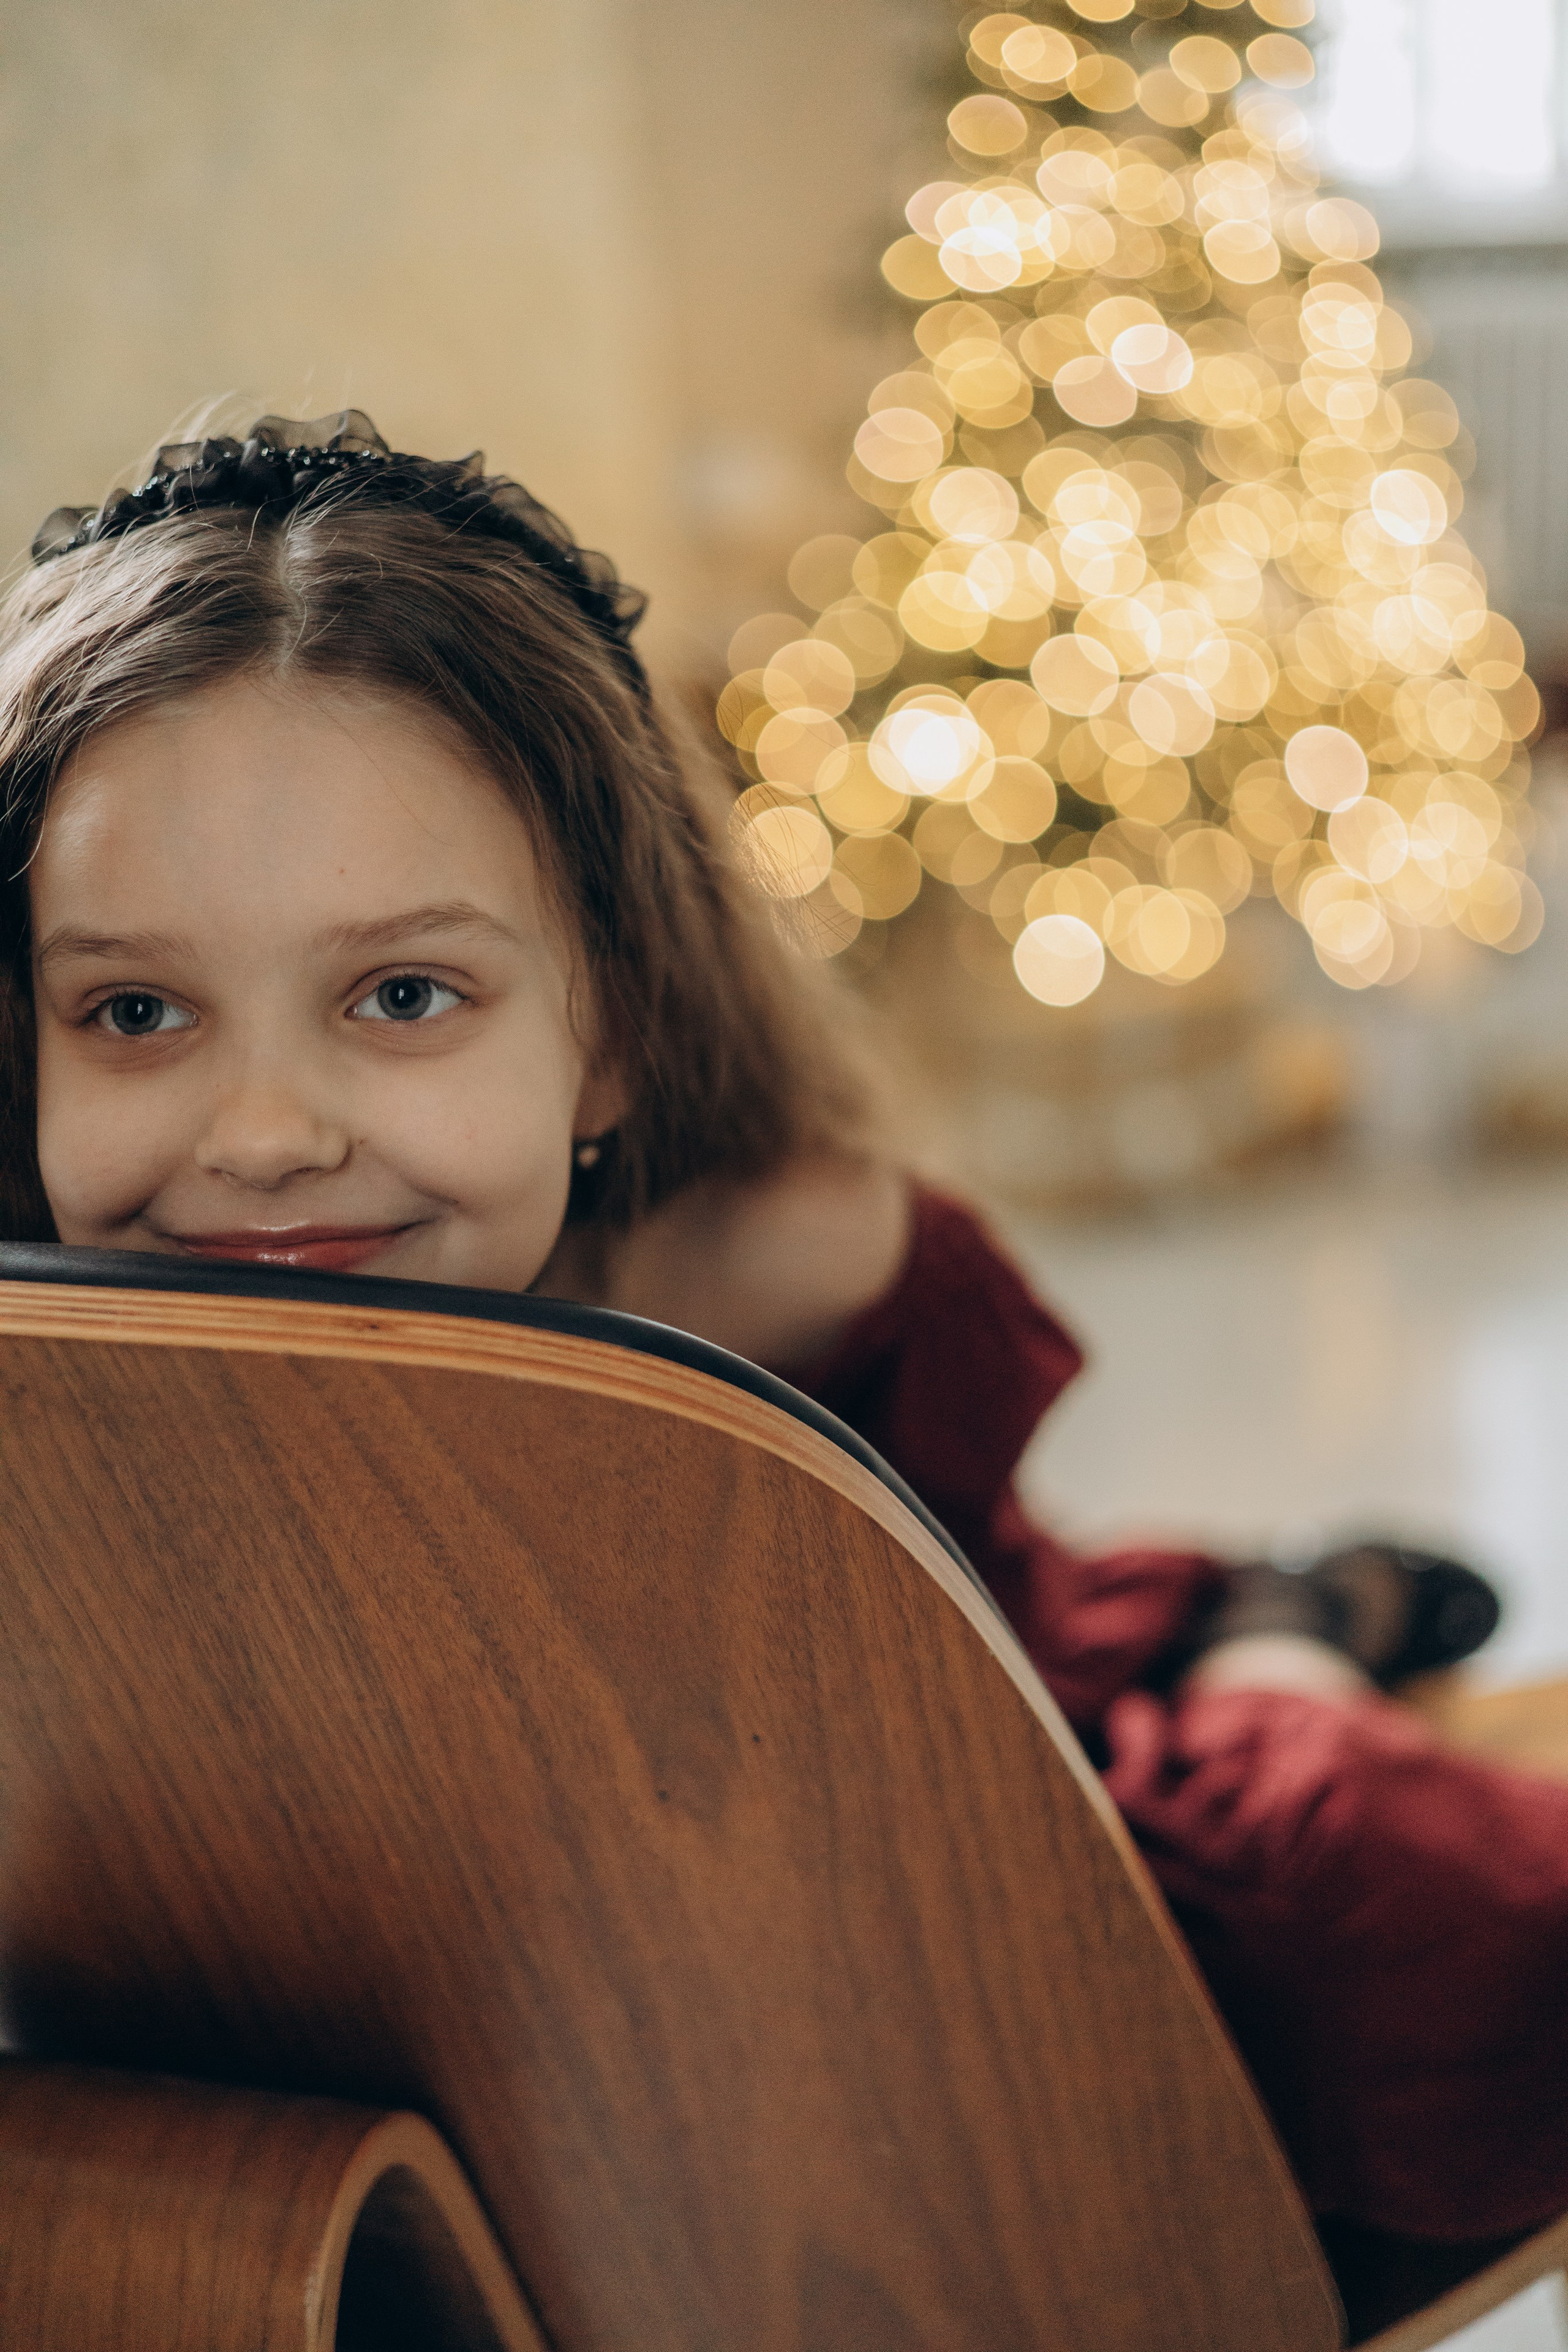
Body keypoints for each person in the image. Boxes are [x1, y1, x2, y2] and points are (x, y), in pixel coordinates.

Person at [0, 413, 1562, 2260]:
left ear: (609, 1039)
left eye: (403, 994)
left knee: (1348, 1893)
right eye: (135, 1013)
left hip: (909, 1865)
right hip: (430, 2078)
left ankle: (1289, 1624)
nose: (263, 1135)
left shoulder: (752, 1274)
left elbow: (972, 1717)